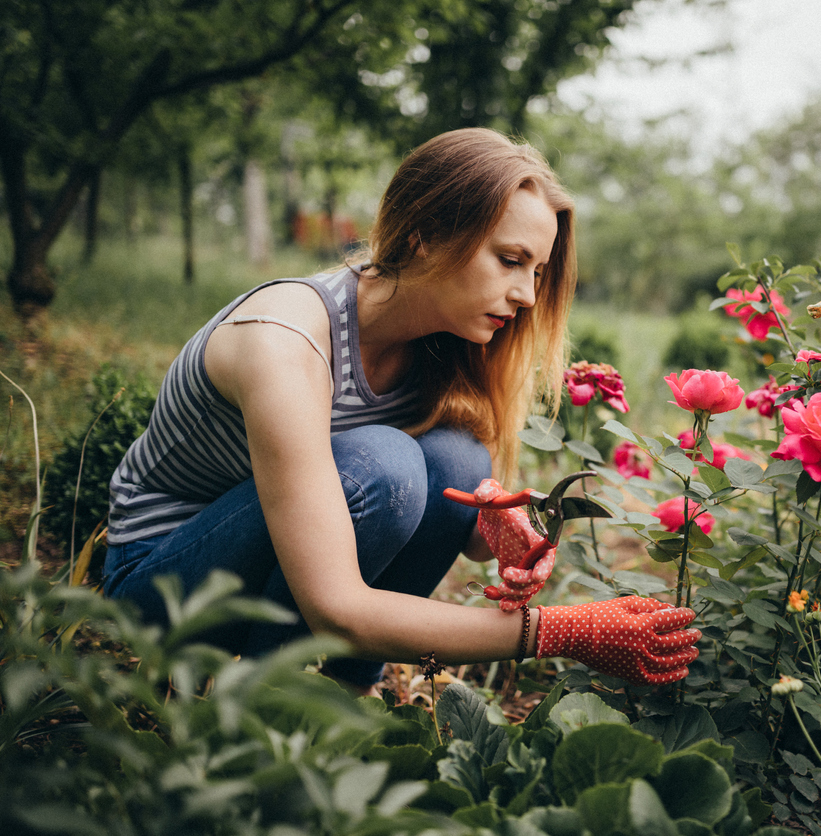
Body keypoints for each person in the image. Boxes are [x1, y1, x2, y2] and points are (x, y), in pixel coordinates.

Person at [102, 128, 700, 690]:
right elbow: (336, 607)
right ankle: (257, 723)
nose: (527, 296)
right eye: (511, 260)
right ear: (423, 237)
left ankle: (336, 707)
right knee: (382, 467)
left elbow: (461, 538)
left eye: (538, 272)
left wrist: (501, 528)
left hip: (270, 564)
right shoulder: (286, 340)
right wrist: (564, 630)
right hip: (162, 581)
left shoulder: (438, 351)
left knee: (458, 458)